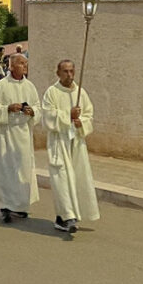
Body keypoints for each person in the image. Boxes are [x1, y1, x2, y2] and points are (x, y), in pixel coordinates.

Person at [42, 60, 100, 233]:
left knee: (77, 179)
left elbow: (89, 115)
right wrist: (67, 114)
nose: (69, 74)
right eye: (65, 71)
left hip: (76, 142)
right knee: (61, 180)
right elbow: (47, 116)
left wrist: (79, 121)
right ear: (58, 73)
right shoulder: (51, 93)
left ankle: (66, 217)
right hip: (59, 142)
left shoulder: (81, 93)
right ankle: (67, 217)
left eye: (71, 71)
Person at [0, 54, 40, 222]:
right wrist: (7, 108)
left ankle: (21, 205)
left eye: (26, 63)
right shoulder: (0, 86)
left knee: (22, 169)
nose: (25, 66)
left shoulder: (30, 86)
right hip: (6, 134)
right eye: (21, 63)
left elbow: (38, 107)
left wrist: (32, 112)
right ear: (11, 66)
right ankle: (6, 206)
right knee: (6, 170)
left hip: (23, 133)